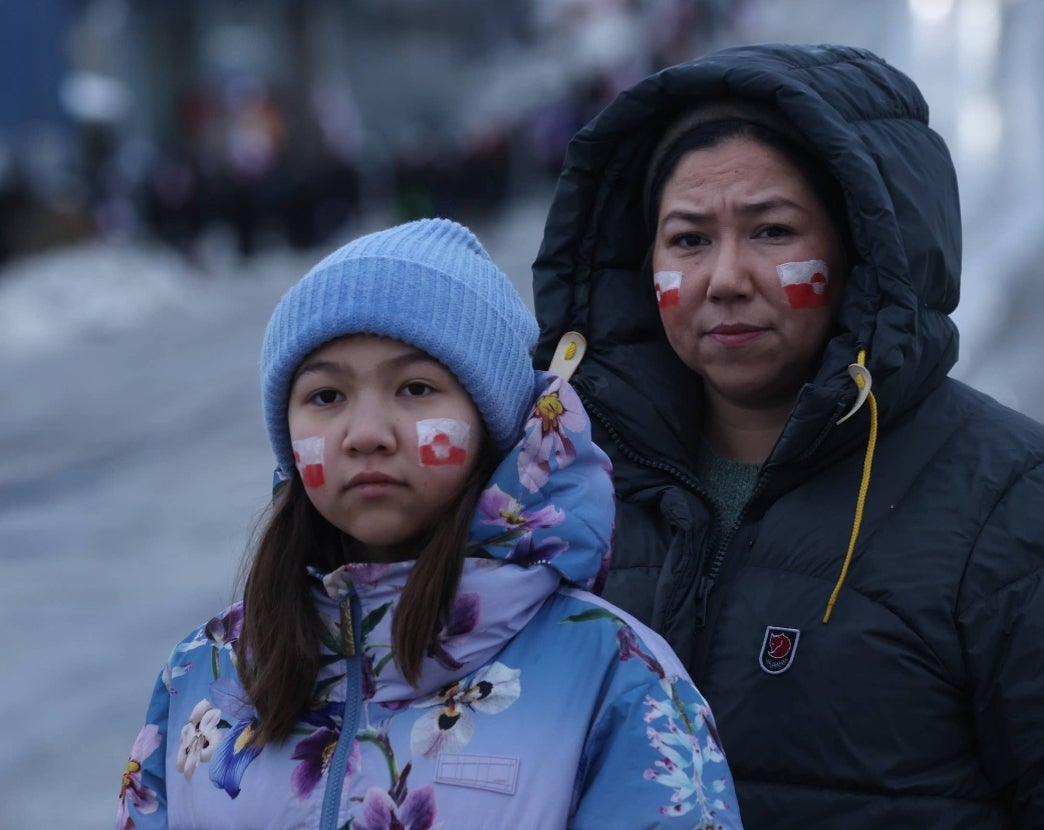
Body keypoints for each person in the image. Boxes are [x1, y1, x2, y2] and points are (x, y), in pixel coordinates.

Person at [531, 44, 1044, 828]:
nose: (725, 277)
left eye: (773, 231)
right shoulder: (561, 494)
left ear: (863, 252)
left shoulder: (1021, 506)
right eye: (688, 240)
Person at [116, 218, 742, 829]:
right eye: (325, 397)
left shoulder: (616, 675)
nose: (365, 435)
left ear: (494, 425)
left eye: (415, 388)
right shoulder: (200, 675)